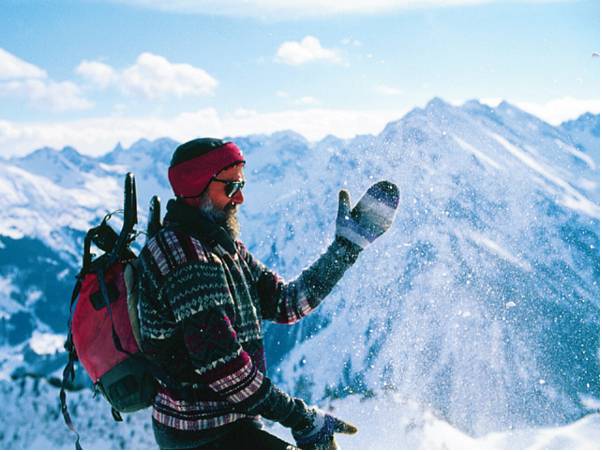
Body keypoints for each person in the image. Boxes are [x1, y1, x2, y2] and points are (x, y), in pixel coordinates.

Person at [137, 138, 399, 449]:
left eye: (241, 184)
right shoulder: (188, 260)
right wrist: (300, 417)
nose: (240, 198)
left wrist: (344, 250)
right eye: (231, 187)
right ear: (196, 188)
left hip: (230, 425)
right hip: (202, 434)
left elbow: (286, 304)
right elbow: (226, 370)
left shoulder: (219, 245)